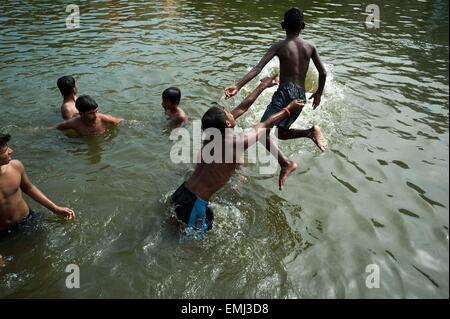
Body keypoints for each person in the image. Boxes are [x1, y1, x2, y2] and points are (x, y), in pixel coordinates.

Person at [171, 75, 304, 234]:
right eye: (227, 113)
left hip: (181, 192)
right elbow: (265, 125)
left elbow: (242, 107)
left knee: (175, 228)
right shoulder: (236, 144)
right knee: (191, 242)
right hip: (195, 203)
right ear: (227, 123)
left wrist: (262, 86)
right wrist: (289, 109)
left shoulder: (211, 137)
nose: (230, 113)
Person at [224, 7, 329, 190]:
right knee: (280, 133)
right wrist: (318, 92)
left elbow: (258, 68)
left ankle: (286, 163)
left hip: (285, 92)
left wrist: (238, 85)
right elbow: (323, 72)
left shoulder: (279, 46)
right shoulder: (310, 47)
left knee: (262, 130)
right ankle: (309, 132)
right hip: (300, 95)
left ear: (282, 26)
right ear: (303, 26)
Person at [0, 133, 75, 235]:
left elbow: (28, 187)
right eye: (5, 151)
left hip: (26, 219)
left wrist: (55, 208)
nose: (10, 151)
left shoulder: (15, 166)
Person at [53, 95, 123, 136]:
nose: (95, 115)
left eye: (96, 111)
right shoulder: (74, 123)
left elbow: (121, 121)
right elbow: (56, 127)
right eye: (91, 113)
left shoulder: (104, 118)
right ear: (81, 114)